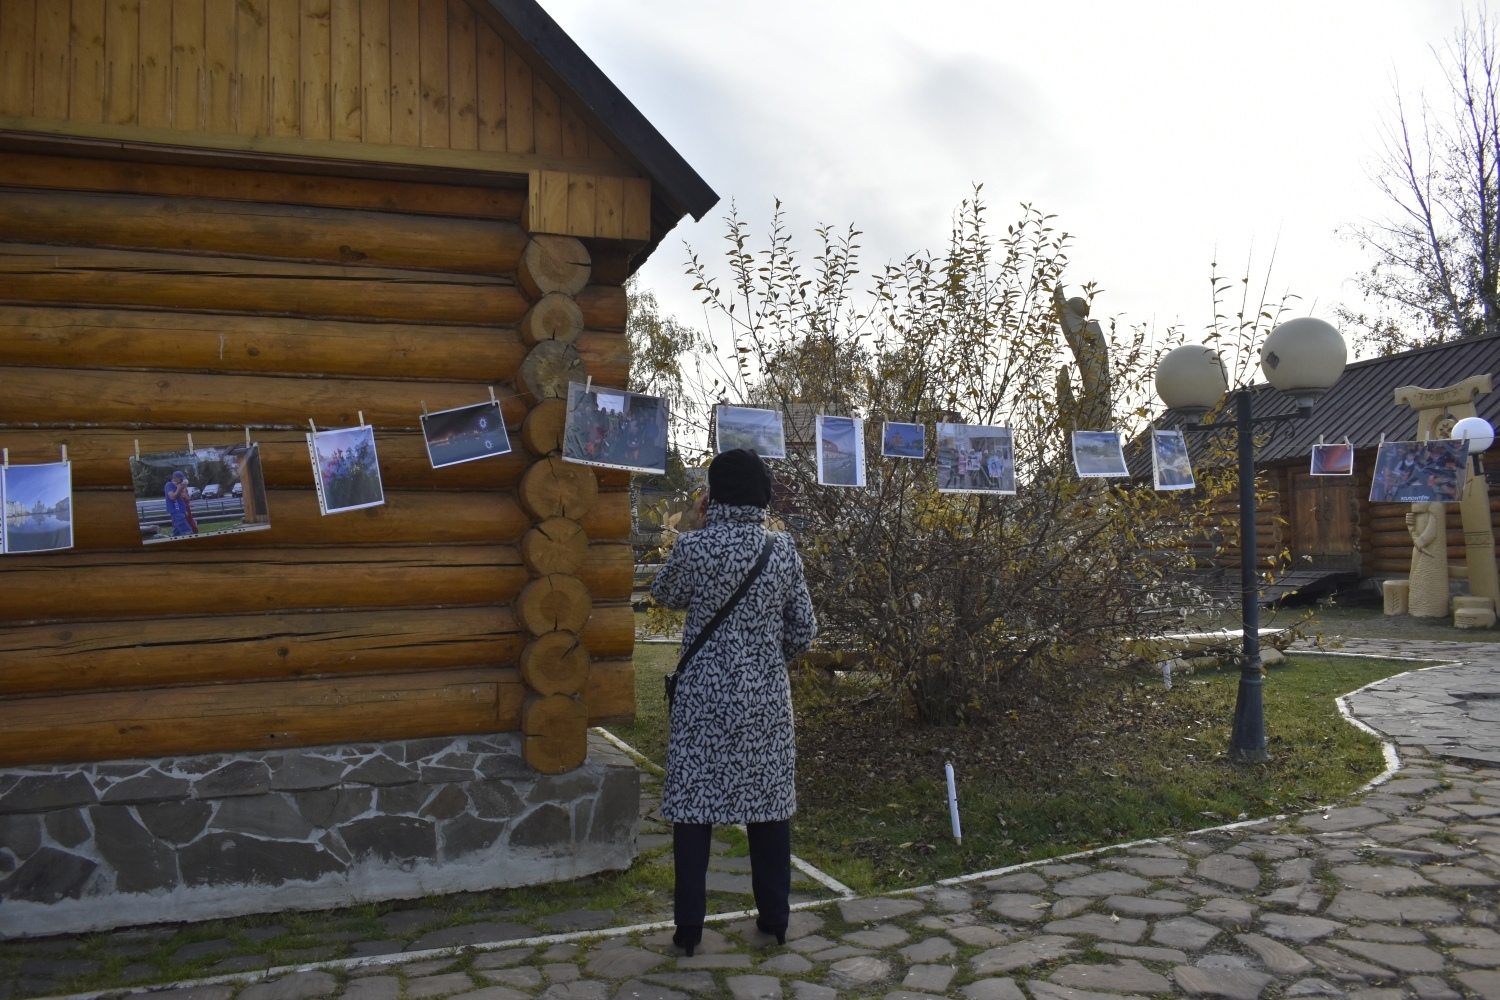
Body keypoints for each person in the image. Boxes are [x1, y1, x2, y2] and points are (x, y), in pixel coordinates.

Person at [650, 449, 817, 955]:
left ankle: (689, 930)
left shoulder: (693, 549)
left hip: (702, 697)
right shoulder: (782, 550)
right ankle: (775, 919)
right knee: (768, 809)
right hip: (765, 699)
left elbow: (665, 593)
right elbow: (804, 630)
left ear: (712, 495)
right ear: (763, 495)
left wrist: (695, 531)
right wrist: (765, 661)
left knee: (694, 810)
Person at [164, 470, 197, 536]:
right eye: (180, 479)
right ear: (175, 478)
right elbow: (172, 497)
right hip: (177, 512)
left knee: (176, 534)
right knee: (188, 532)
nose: (181, 481)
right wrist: (179, 488)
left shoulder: (178, 486)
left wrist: (182, 489)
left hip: (182, 512)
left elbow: (185, 498)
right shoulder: (169, 485)